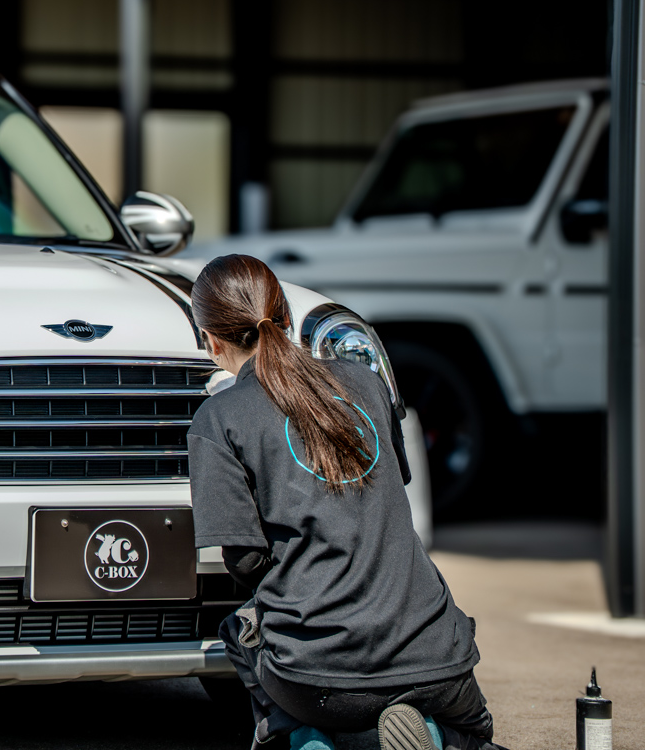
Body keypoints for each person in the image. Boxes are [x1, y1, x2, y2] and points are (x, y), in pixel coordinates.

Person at [187, 255, 505, 750]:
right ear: (287, 317)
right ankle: (439, 737)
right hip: (437, 657)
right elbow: (391, 490)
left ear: (210, 339)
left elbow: (244, 560)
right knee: (476, 734)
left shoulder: (219, 417)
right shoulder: (367, 383)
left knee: (240, 630)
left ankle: (305, 738)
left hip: (320, 675)